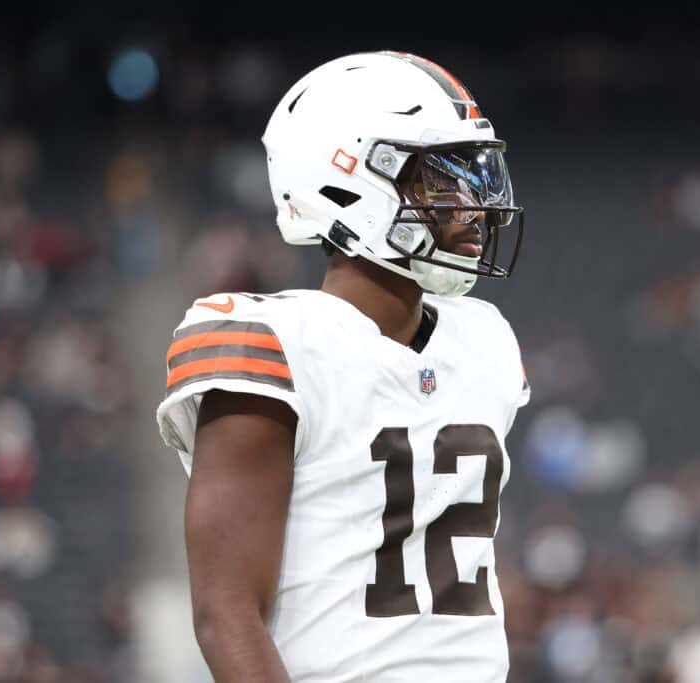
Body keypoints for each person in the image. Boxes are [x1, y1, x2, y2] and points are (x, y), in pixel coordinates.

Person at [156, 51, 530, 682]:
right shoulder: (274, 341)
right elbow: (226, 613)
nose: (472, 204)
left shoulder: (485, 341)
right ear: (350, 180)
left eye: (472, 177)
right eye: (441, 178)